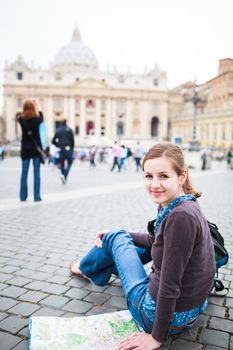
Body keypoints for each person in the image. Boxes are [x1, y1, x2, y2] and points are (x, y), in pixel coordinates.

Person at [69, 143, 216, 349]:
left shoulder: (180, 217)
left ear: (182, 176)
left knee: (115, 236)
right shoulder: (184, 203)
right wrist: (126, 235)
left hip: (156, 315)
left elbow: (169, 284)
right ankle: (97, 265)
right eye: (149, 176)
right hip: (191, 308)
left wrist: (156, 337)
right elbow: (156, 241)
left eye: (163, 176)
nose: (154, 184)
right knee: (119, 235)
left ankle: (85, 268)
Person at [16, 100, 44, 202]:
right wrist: (38, 106)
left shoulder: (21, 119)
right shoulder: (37, 119)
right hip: (35, 148)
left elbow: (19, 115)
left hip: (25, 148)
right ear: (33, 108)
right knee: (36, 173)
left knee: (24, 173)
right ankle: (37, 196)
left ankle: (23, 196)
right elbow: (42, 117)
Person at [52, 119, 74, 184]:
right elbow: (72, 140)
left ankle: (63, 175)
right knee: (69, 163)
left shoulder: (58, 130)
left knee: (62, 163)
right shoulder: (69, 130)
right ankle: (65, 175)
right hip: (68, 148)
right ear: (66, 123)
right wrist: (72, 149)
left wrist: (58, 145)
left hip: (61, 149)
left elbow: (53, 141)